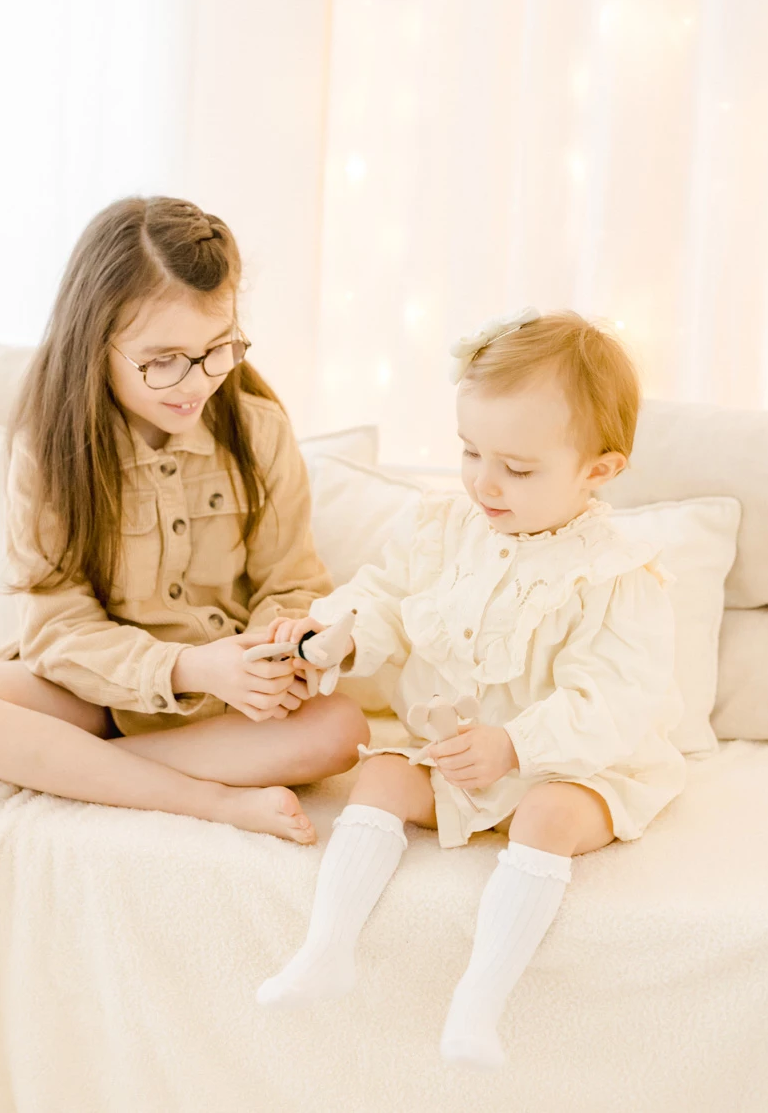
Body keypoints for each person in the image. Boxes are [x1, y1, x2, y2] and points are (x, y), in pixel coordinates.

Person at [256, 308, 686, 1065]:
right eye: (469, 451)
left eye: (517, 469)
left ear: (598, 470)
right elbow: (385, 597)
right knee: (384, 773)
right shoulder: (442, 530)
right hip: (455, 757)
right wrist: (339, 634)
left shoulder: (617, 574)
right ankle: (326, 950)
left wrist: (515, 745)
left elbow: (611, 703)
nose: (484, 481)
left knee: (548, 813)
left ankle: (479, 999)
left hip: (572, 765)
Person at [0, 196, 368, 843]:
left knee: (342, 730)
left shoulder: (258, 432)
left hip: (221, 706)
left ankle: (44, 763)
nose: (195, 382)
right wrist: (187, 668)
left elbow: (291, 581)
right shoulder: (50, 451)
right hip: (93, 694)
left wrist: (275, 650)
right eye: (163, 360)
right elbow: (59, 628)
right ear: (95, 344)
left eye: (218, 349)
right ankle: (208, 800)